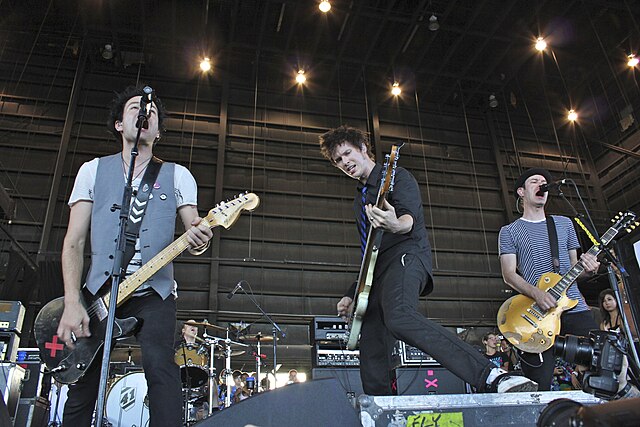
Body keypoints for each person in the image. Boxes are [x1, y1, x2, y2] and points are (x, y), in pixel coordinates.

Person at [319, 125, 537, 395]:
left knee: (398, 316)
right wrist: (353, 293)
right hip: (377, 274)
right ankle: (381, 410)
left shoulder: (397, 176)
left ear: (363, 148)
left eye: (347, 153)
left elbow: (409, 220)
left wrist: (395, 223)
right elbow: (368, 250)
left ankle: (492, 375)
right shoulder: (359, 199)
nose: (344, 163)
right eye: (338, 160)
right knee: (372, 345)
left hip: (407, 256)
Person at [56, 85, 213, 426]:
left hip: (154, 292)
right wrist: (72, 302)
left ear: (158, 132)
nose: (145, 110)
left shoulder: (178, 175)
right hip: (99, 292)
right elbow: (73, 241)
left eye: (152, 109)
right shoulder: (93, 171)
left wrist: (201, 237)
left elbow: (194, 230)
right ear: (118, 124)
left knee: (160, 367)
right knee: (84, 381)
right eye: (135, 107)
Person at [498, 167, 600, 391]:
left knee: (601, 361)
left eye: (544, 182)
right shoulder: (509, 231)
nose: (541, 185)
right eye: (534, 181)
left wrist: (589, 270)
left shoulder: (565, 224)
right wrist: (537, 294)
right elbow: (508, 274)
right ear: (521, 192)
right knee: (539, 382)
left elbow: (576, 270)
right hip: (535, 313)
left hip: (573, 305)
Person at [598, 289, 640, 398]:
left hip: (630, 350)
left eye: (609, 299)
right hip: (614, 354)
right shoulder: (604, 322)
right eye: (604, 301)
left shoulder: (624, 318)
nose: (607, 303)